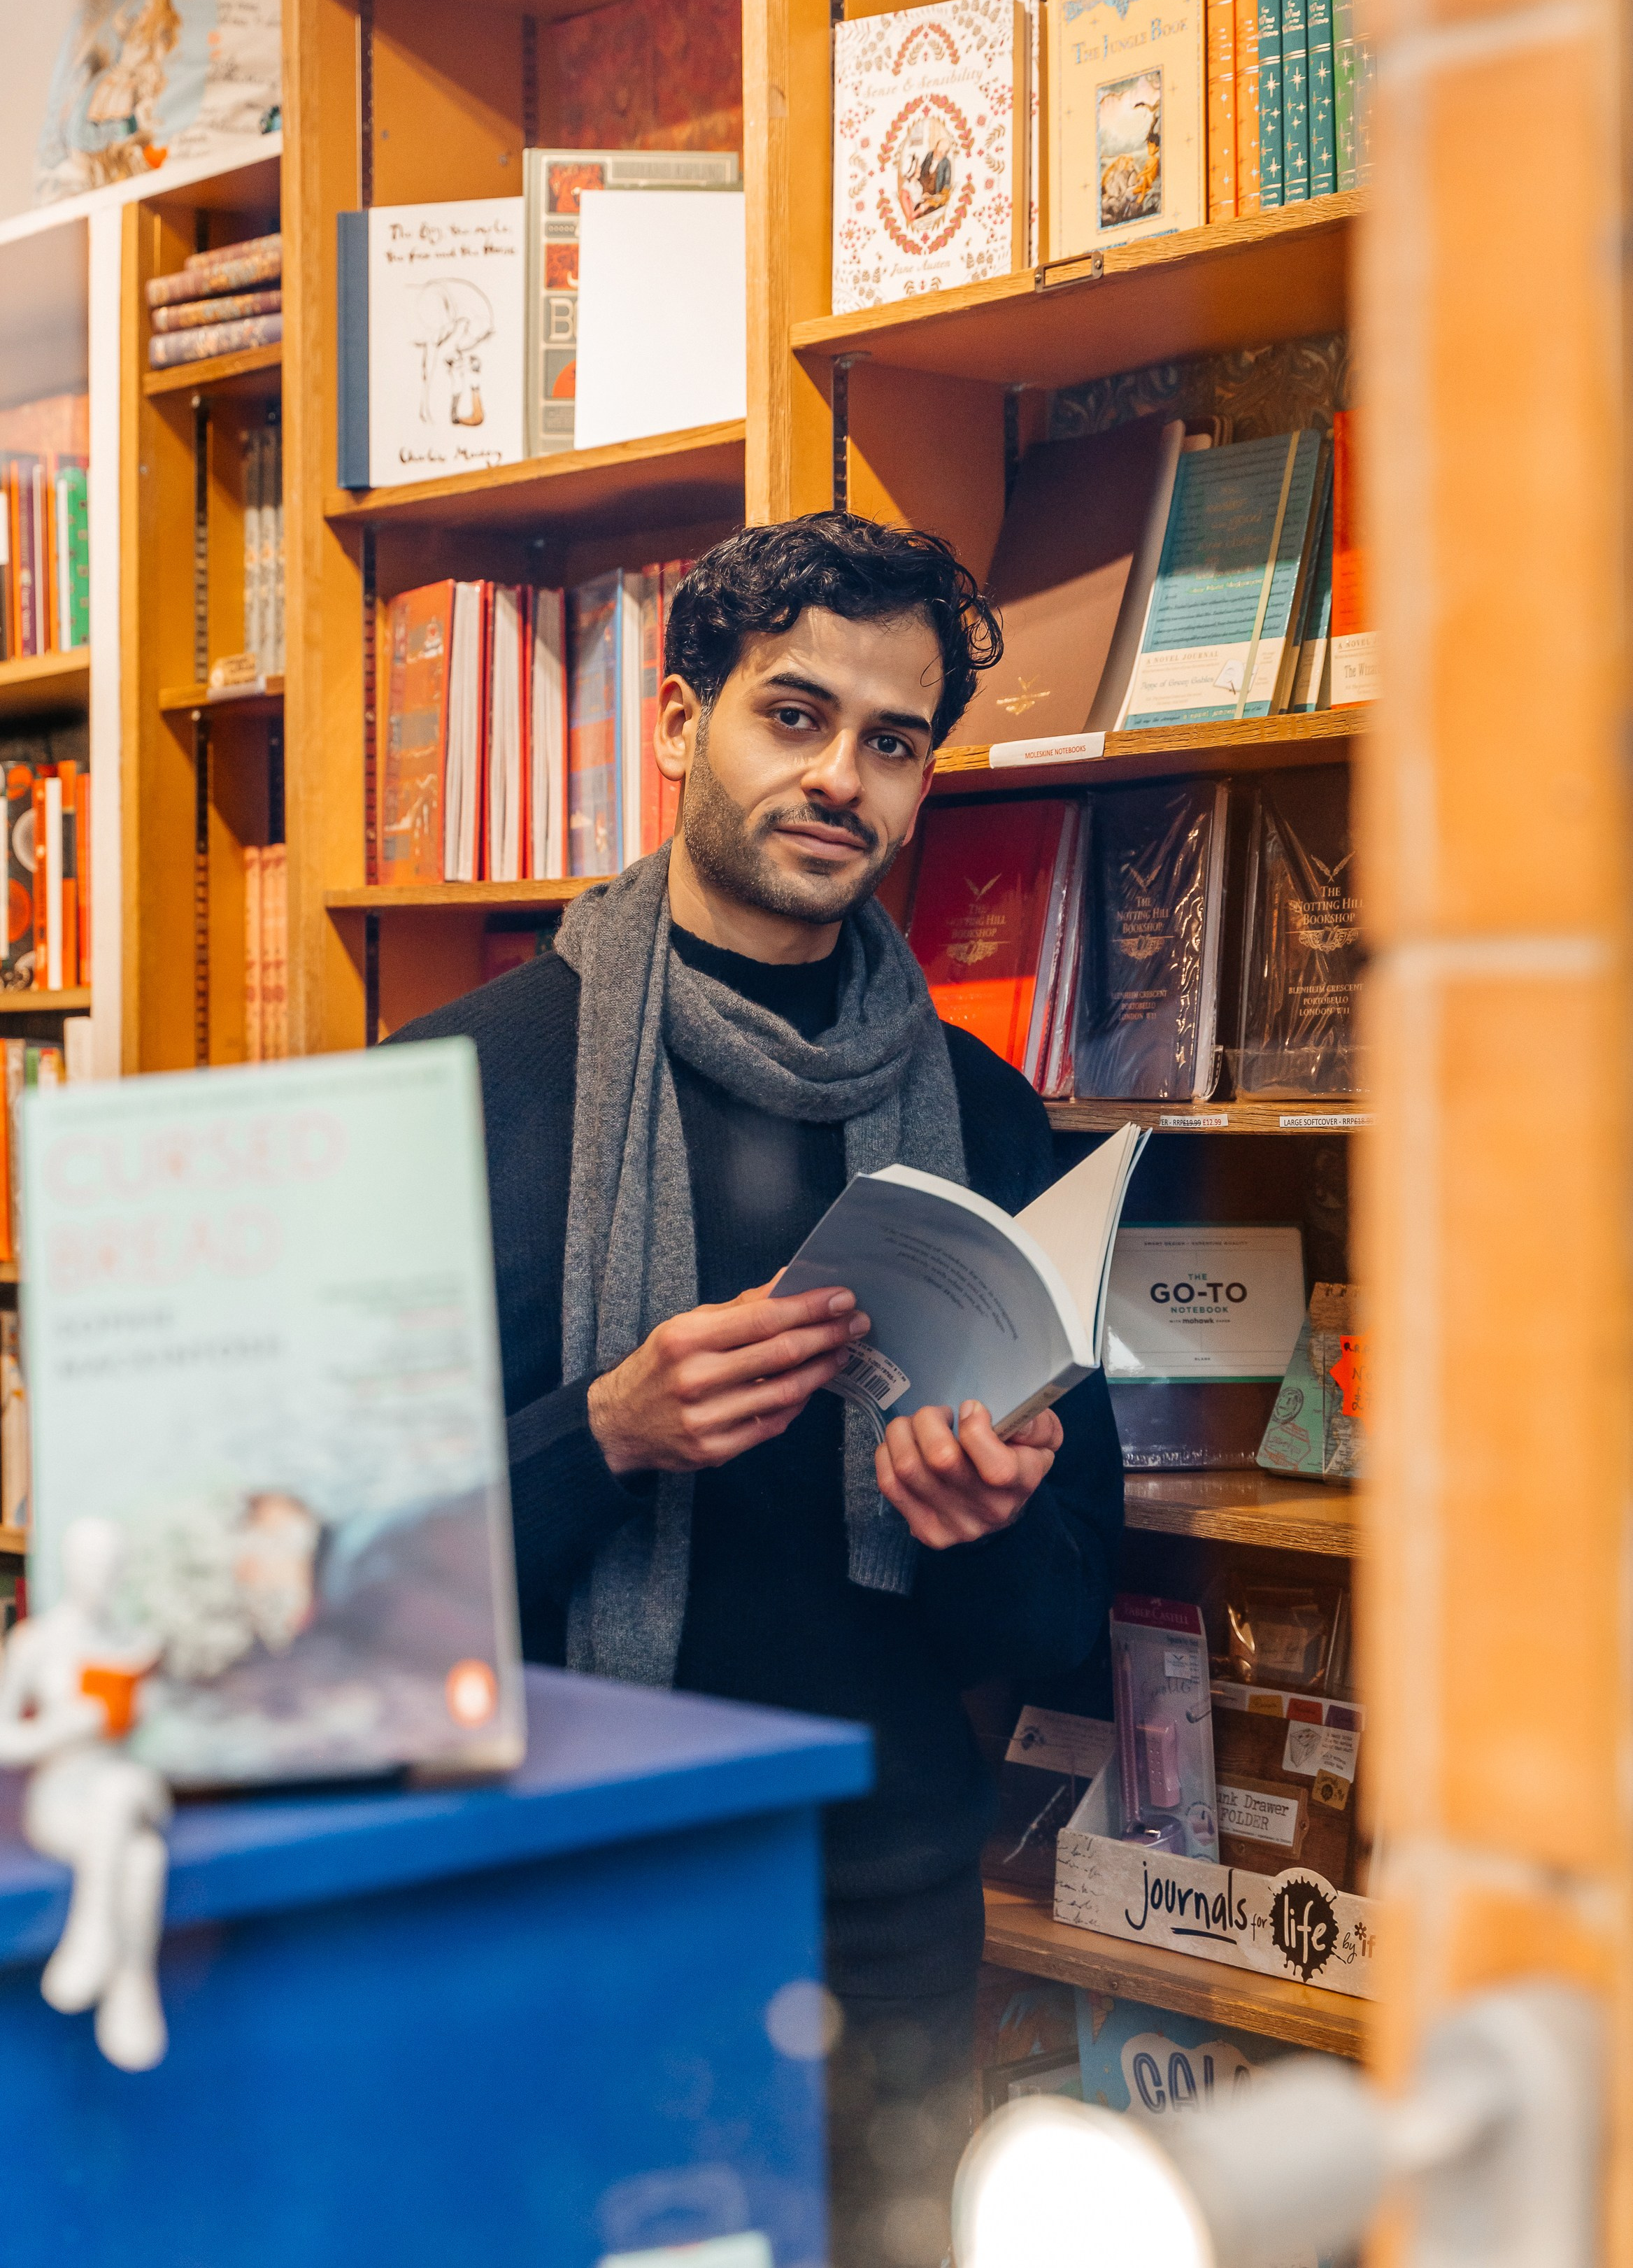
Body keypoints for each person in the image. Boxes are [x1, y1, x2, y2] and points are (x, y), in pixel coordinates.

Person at [389, 513, 1122, 2268]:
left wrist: (983, 1520)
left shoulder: (985, 1114)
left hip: (883, 1907)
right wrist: (606, 1432)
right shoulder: (460, 1082)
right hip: (558, 1879)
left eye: (892, 742)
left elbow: (1059, 1607)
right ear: (676, 723)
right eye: (793, 715)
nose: (839, 778)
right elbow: (337, 1583)